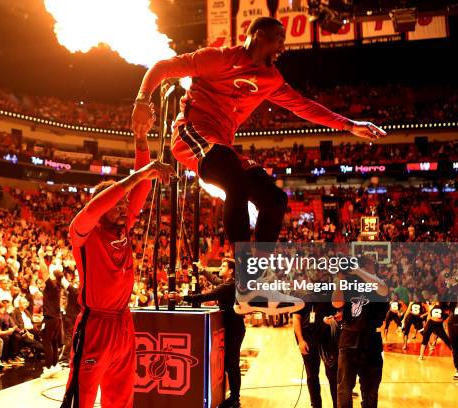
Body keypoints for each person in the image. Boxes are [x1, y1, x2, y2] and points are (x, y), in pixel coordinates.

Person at [132, 16, 386, 248]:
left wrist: (350, 125)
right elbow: (163, 67)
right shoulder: (218, 58)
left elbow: (303, 106)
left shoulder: (272, 79)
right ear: (259, 36)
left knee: (274, 199)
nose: (283, 48)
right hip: (192, 132)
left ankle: (257, 278)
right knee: (233, 172)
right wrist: (142, 101)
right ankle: (243, 268)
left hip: (223, 146)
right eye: (279, 40)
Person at [61, 130, 174, 408]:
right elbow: (95, 207)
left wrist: (141, 137)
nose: (125, 208)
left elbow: (143, 188)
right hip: (95, 324)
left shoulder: (123, 227)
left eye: (125, 203)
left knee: (122, 399)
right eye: (118, 204)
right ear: (102, 209)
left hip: (123, 323)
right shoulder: (84, 232)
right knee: (82, 400)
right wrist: (136, 176)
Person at [169, 258, 245, 408]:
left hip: (234, 329)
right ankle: (232, 396)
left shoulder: (228, 286)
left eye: (223, 266)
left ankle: (235, 399)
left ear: (231, 270)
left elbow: (205, 296)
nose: (220, 268)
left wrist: (182, 298)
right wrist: (202, 269)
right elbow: (214, 279)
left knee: (232, 364)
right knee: (229, 364)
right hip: (233, 327)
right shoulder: (228, 283)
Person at [332, 266, 389, 408]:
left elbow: (383, 290)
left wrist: (358, 270)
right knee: (344, 388)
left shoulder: (380, 284)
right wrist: (340, 280)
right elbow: (336, 303)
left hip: (371, 340)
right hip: (348, 339)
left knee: (370, 390)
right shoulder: (348, 283)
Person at [293, 290, 340, 408]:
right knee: (312, 376)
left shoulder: (332, 295)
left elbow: (340, 315)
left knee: (333, 375)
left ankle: (337, 405)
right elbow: (296, 318)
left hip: (328, 341)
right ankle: (316, 405)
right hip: (308, 341)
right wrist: (300, 340)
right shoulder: (302, 297)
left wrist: (334, 319)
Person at [39, 255, 64, 379]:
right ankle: (54, 365)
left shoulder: (52, 285)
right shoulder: (58, 286)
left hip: (50, 318)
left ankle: (48, 367)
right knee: (53, 342)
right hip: (56, 319)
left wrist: (40, 256)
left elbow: (43, 270)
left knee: (47, 342)